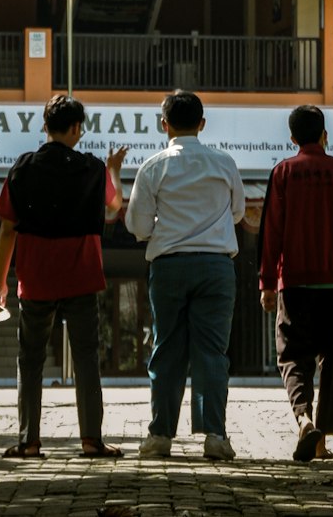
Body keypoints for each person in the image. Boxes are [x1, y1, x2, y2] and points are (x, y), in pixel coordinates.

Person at [0, 93, 127, 458]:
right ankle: (91, 440)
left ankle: (29, 442)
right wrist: (114, 168)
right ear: (77, 128)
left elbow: (7, 230)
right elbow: (115, 204)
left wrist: (0, 281)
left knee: (30, 358)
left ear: (45, 127)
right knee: (85, 357)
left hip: (35, 277)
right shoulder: (93, 169)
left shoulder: (22, 167)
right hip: (82, 274)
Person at [125, 90, 245, 461]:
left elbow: (139, 227)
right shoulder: (224, 163)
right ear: (202, 124)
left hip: (169, 267)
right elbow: (238, 213)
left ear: (164, 125)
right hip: (216, 267)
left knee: (167, 349)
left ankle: (160, 436)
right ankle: (215, 437)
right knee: (212, 352)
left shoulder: (153, 167)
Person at [258, 104, 333, 463]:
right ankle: (321, 443)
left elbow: (271, 233)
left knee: (293, 357)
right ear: (325, 135)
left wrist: (266, 283)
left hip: (294, 283)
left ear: (292, 138)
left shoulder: (283, 172)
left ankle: (304, 420)